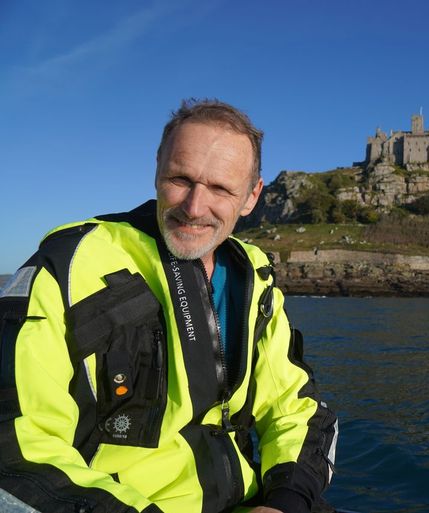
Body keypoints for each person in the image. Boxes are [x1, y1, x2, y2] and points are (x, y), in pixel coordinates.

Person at [0, 99, 338, 513]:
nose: (194, 208)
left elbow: (296, 409)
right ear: (157, 169)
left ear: (252, 197)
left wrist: (285, 502)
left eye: (220, 188)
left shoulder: (256, 279)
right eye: (181, 179)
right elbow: (15, 447)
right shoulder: (67, 266)